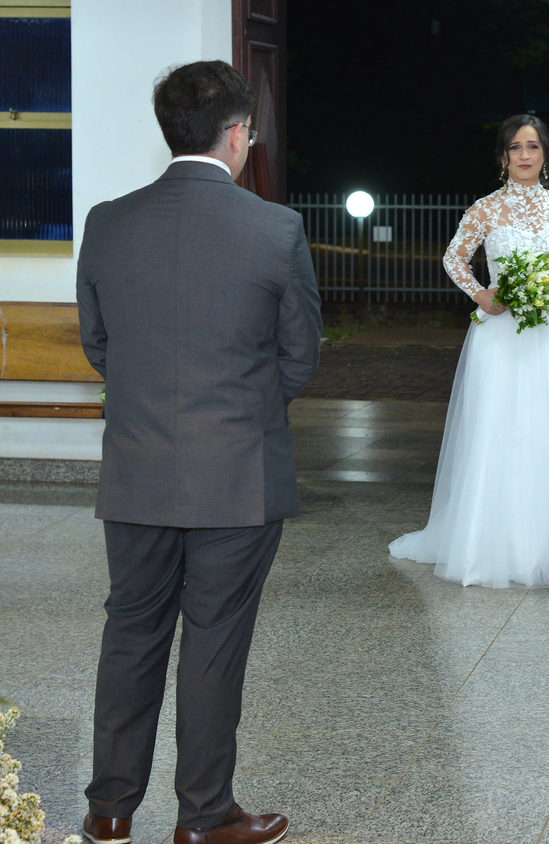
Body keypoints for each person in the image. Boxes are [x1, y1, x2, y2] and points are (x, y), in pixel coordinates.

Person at [76, 61, 321, 844]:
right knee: (213, 646)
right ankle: (204, 818)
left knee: (131, 634)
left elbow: (99, 345)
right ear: (238, 133)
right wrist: (238, 416)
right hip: (236, 478)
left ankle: (109, 811)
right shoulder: (274, 229)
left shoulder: (107, 222)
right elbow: (299, 357)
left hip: (137, 469)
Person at [389, 114, 549, 588]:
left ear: (545, 154)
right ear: (503, 157)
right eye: (515, 147)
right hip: (501, 337)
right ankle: (492, 545)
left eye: (532, 146)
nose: (524, 155)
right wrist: (480, 294)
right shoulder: (487, 208)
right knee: (502, 431)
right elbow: (453, 256)